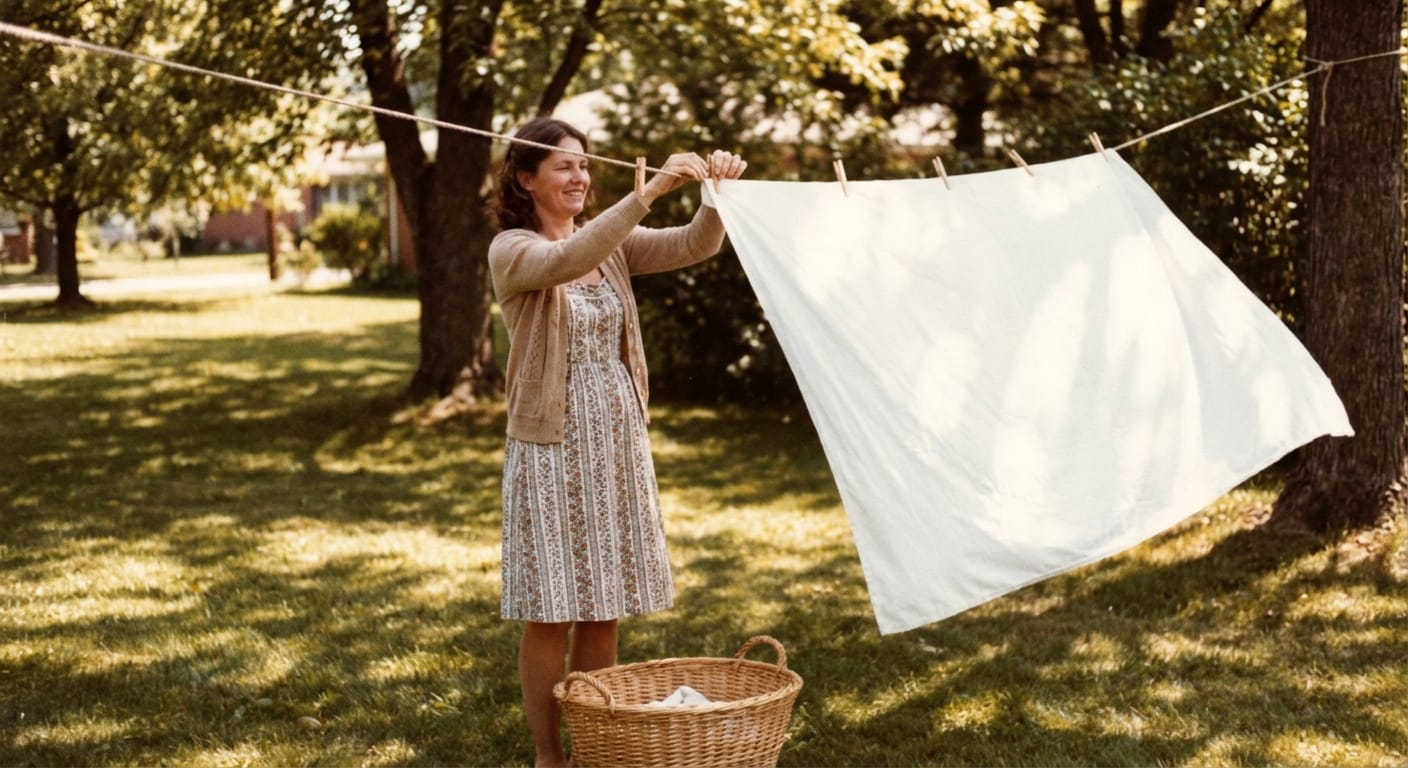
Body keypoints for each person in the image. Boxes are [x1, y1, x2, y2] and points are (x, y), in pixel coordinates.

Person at [487, 117, 747, 768]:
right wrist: (647, 192)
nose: (580, 178)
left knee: (603, 605)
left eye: (584, 166)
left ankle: (594, 752)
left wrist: (713, 194)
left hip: (615, 439)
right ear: (527, 180)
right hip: (550, 444)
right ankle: (550, 757)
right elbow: (564, 260)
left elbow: (695, 245)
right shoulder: (512, 249)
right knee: (552, 608)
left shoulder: (614, 244)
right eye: (564, 168)